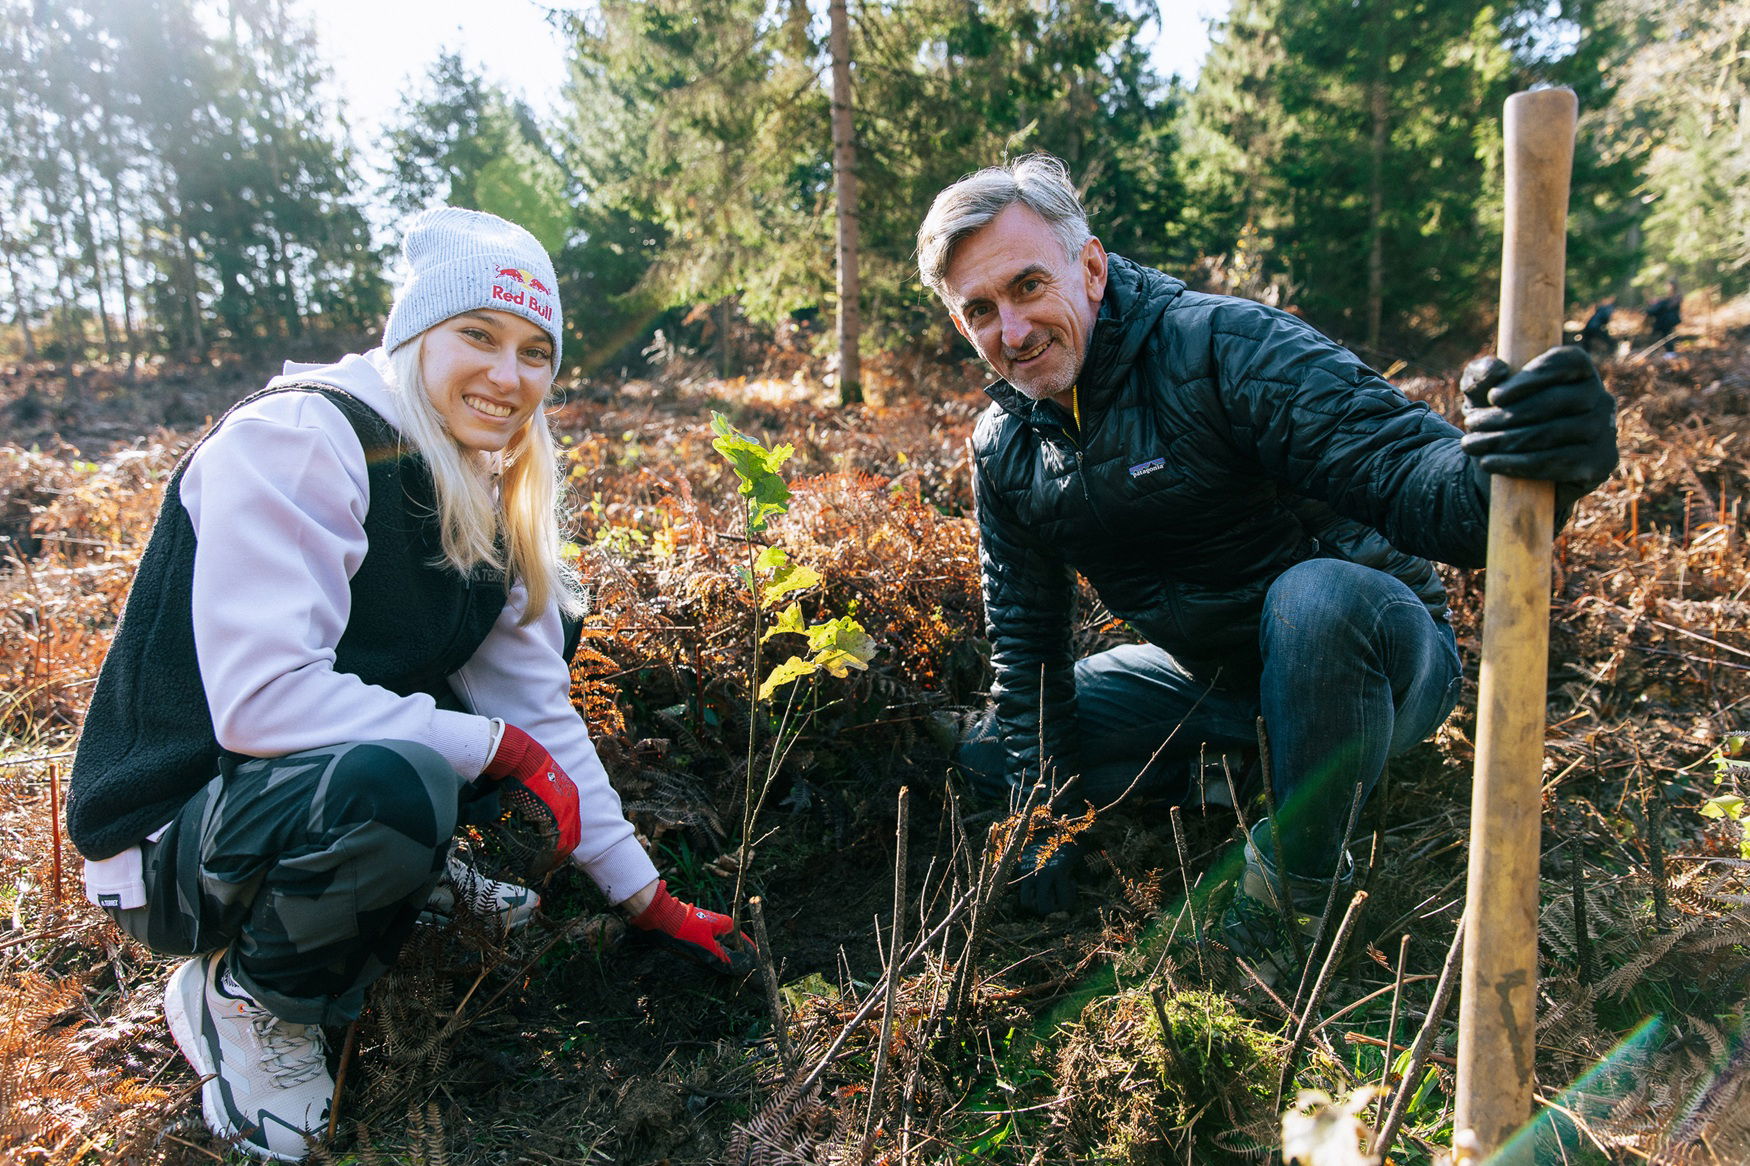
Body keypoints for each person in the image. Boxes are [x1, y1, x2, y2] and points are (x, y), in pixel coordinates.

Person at [67, 208, 748, 1161]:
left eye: (535, 351)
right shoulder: (305, 435)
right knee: (411, 774)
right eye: (478, 335)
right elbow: (263, 701)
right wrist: (493, 749)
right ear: (413, 336)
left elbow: (536, 709)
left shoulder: (480, 485)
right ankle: (248, 1003)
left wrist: (647, 898)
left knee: (510, 682)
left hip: (283, 799)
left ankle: (392, 875)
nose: (508, 377)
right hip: (170, 840)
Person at [915, 155, 1617, 981]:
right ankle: (1254, 768)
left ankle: (1295, 893)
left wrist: (1522, 464)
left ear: (1092, 267)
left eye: (1029, 286)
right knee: (997, 752)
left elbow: (1423, 485)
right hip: (1212, 680)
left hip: (1376, 660)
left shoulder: (1221, 349)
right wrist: (1040, 819)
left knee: (1316, 599)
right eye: (981, 311)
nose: (1014, 330)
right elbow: (1028, 646)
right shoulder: (1008, 450)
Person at [1644, 279, 1683, 357]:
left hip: (1669, 319)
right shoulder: (1668, 297)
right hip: (1664, 320)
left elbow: (1670, 306)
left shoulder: (1677, 296)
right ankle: (1668, 352)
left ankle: (1671, 352)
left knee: (1668, 335)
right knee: (1665, 335)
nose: (1669, 287)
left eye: (1670, 285)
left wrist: (1660, 303)